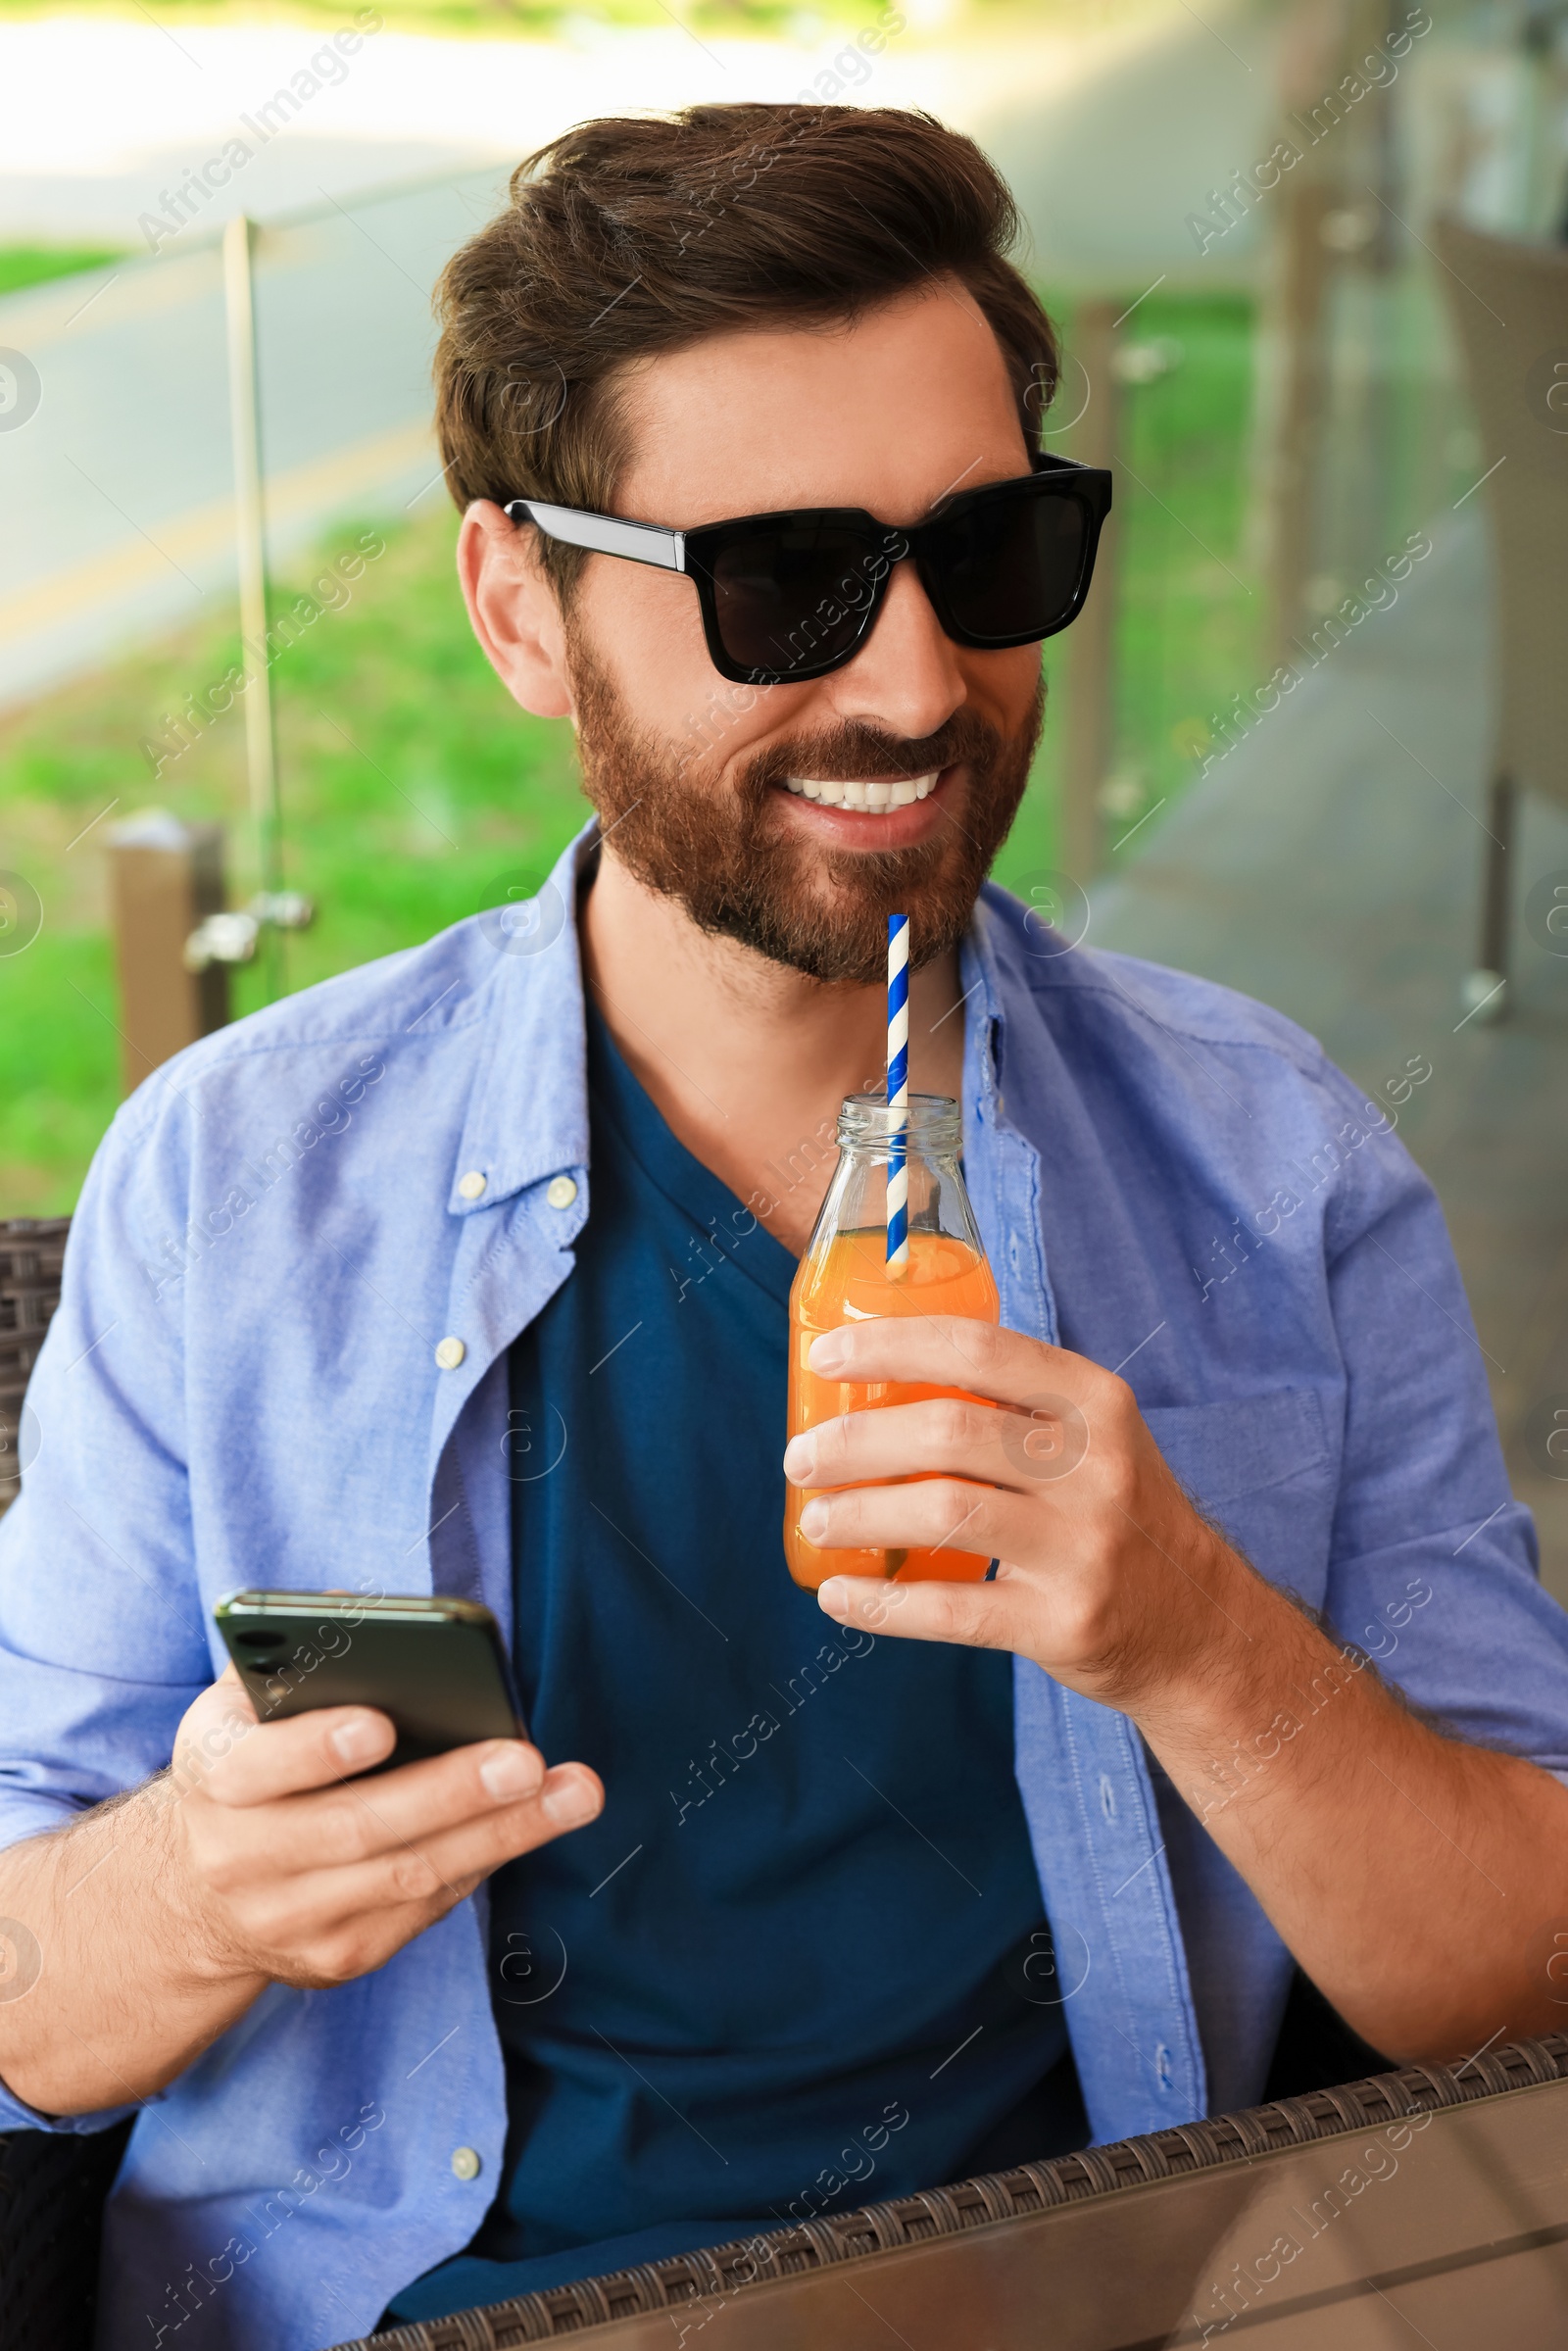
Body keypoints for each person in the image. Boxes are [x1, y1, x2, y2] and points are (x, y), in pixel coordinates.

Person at [2, 102, 1567, 2351]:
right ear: (519, 611)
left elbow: (1510, 1981)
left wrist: (1195, 1643)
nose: (919, 686)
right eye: (784, 584)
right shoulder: (238, 1181)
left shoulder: (1275, 1168)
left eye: (989, 551)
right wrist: (189, 1884)